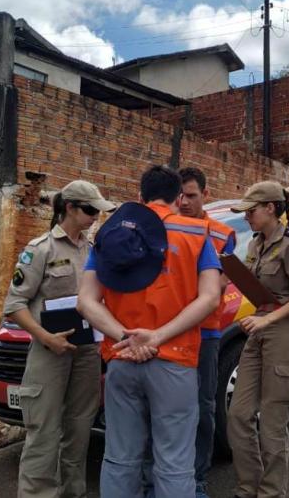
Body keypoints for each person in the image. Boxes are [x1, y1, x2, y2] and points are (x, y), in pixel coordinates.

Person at [76, 165, 222, 498]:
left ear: (140, 198)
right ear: (178, 197)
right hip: (175, 362)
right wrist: (157, 337)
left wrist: (124, 336)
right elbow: (211, 298)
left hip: (122, 360)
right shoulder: (197, 234)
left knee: (120, 458)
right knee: (174, 462)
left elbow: (86, 302)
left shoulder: (110, 235)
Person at [2, 180, 116, 498]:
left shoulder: (94, 252)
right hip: (50, 351)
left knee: (79, 430)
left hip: (87, 352)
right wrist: (45, 337)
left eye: (98, 211)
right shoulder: (40, 250)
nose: (95, 216)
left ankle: (72, 493)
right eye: (90, 210)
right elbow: (14, 306)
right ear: (69, 207)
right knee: (44, 431)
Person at [227, 181, 289, 498]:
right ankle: (248, 486)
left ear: (270, 208)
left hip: (284, 331)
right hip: (259, 329)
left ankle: (271, 492)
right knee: (238, 415)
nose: (247, 217)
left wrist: (268, 319)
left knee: (274, 424)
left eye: (250, 211)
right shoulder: (253, 244)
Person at [178, 167, 236, 498]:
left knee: (203, 405)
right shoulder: (166, 228)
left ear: (205, 195)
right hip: (171, 334)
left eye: (191, 196)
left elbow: (226, 279)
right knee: (170, 407)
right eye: (180, 196)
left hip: (206, 333)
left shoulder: (221, 234)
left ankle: (198, 478)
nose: (184, 202)